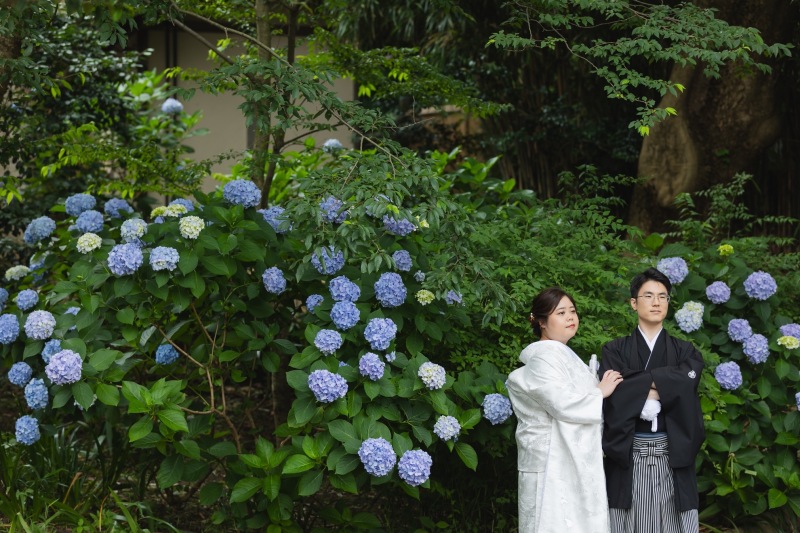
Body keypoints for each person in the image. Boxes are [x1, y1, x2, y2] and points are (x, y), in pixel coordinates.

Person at [507, 287, 623, 533]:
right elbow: (561, 403)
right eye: (561, 312)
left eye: (572, 311)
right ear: (541, 322)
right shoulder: (544, 358)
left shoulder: (561, 354)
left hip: (563, 455)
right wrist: (599, 392)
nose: (570, 317)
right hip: (550, 458)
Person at [600, 268, 705, 532]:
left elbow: (687, 384)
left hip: (672, 452)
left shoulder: (686, 350)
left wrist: (634, 383)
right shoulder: (614, 350)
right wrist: (669, 384)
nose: (656, 302)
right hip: (630, 453)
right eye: (648, 295)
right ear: (634, 303)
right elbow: (615, 393)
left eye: (662, 296)